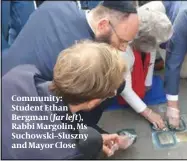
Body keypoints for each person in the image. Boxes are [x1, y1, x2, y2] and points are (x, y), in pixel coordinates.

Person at [1, 1, 139, 134]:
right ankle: (84, 131)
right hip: (23, 116)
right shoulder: (81, 56)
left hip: (8, 76)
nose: (123, 48)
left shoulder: (58, 5)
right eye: (122, 41)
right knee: (113, 84)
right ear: (103, 25)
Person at [2, 41, 133, 159]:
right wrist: (88, 144)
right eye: (110, 94)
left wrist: (88, 139)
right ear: (92, 102)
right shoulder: (67, 153)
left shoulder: (19, 75)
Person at [118, 5, 173, 129]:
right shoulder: (123, 49)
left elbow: (152, 49)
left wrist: (148, 81)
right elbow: (124, 88)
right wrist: (148, 113)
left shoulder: (156, 13)